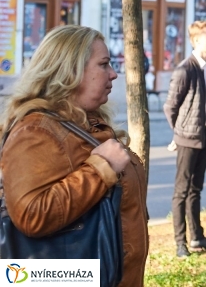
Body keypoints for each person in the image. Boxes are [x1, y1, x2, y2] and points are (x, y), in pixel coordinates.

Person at [0, 25, 147, 286]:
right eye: (103, 64)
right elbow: (31, 215)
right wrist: (102, 167)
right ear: (70, 70)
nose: (113, 74)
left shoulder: (86, 123)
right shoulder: (36, 130)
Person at [164, 20, 206, 257]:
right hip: (188, 137)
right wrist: (179, 133)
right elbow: (171, 107)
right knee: (181, 191)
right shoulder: (185, 69)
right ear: (196, 40)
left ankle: (197, 236)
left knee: (195, 189)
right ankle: (181, 243)